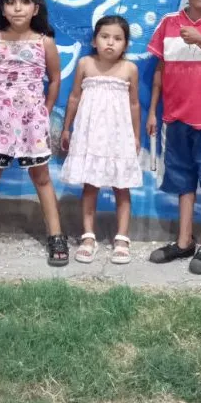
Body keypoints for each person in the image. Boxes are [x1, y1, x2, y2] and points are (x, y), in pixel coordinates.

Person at [0, 0, 69, 267]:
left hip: (33, 123)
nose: (18, 7)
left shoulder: (44, 41)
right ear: (3, 7)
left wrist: (45, 108)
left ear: (36, 8)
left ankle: (56, 236)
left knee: (42, 178)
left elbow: (55, 77)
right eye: (11, 2)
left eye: (24, 2)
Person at [147, 0, 201, 275]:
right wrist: (152, 110)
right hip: (174, 119)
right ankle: (184, 241)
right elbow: (160, 71)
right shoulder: (169, 23)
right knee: (182, 181)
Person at [61, 15, 141, 264]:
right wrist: (66, 128)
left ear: (126, 45)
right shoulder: (85, 63)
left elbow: (135, 104)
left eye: (118, 38)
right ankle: (88, 236)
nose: (110, 43)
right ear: (94, 40)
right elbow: (74, 97)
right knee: (90, 185)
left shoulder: (130, 69)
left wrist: (137, 137)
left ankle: (122, 237)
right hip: (90, 134)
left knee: (121, 185)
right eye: (105, 37)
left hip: (118, 136)